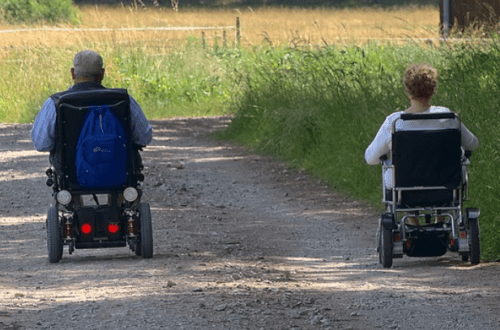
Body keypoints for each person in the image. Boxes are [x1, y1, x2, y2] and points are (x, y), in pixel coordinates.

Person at [364, 63, 479, 224]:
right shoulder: (449, 118)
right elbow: (473, 144)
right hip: (446, 187)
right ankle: (441, 219)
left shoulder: (395, 122)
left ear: (407, 90)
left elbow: (371, 158)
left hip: (404, 189)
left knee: (391, 169)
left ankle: (412, 224)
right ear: (433, 89)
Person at [31, 49, 153, 170]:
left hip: (71, 175)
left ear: (73, 73)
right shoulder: (124, 100)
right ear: (102, 74)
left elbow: (41, 143)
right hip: (120, 173)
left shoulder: (55, 102)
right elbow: (144, 136)